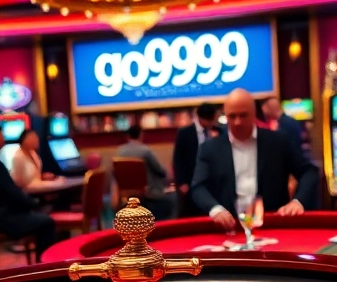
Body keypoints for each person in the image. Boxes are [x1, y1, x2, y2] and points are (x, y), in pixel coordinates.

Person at [191, 88, 319, 231]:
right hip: (231, 230)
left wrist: (298, 201)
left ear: (254, 114)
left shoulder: (278, 142)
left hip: (273, 227)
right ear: (225, 116)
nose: (238, 122)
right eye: (232, 116)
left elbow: (309, 171)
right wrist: (215, 209)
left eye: (243, 115)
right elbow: (198, 187)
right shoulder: (210, 148)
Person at [0, 121, 56, 254]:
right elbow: (13, 194)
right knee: (47, 222)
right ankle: (45, 267)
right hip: (2, 221)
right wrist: (35, 203)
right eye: (2, 136)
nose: (4, 140)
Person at [114, 123, 173, 219]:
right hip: (147, 192)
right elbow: (160, 170)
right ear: (141, 135)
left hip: (125, 193)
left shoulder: (119, 152)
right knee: (172, 198)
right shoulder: (145, 151)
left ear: (127, 136)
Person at [173, 103, 217, 218]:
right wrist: (181, 182)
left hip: (211, 180)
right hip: (190, 180)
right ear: (201, 118)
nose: (212, 123)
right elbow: (178, 159)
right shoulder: (185, 133)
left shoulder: (217, 132)